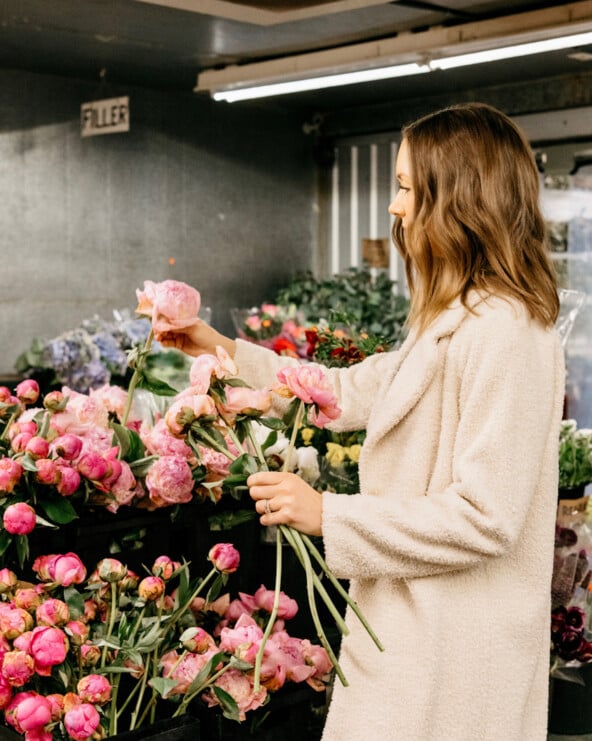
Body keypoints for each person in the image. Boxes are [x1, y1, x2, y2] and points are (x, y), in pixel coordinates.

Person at [156, 102, 565, 740]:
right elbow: (349, 389)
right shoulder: (456, 317)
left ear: (457, 198)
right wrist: (220, 351)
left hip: (457, 654)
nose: (396, 208)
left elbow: (489, 517)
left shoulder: (506, 331)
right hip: (421, 631)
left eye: (405, 188)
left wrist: (329, 515)